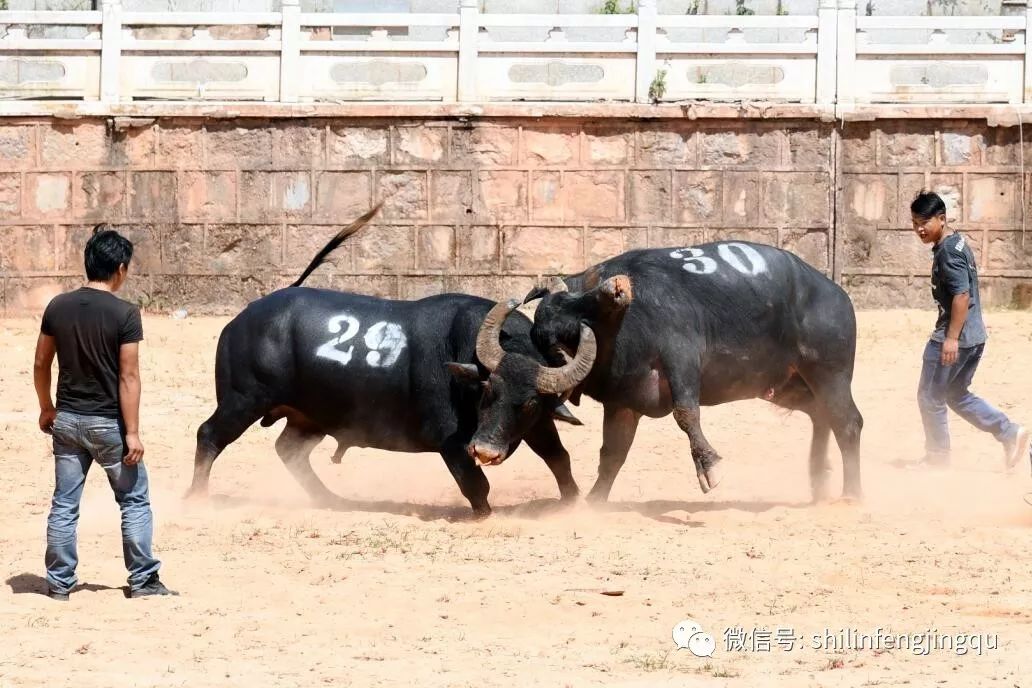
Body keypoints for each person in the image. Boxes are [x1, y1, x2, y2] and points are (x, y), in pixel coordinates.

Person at [33, 224, 176, 600]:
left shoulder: (57, 307)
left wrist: (47, 407)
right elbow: (128, 376)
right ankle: (143, 581)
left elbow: (40, 363)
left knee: (64, 504)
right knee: (134, 501)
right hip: (109, 425)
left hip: (66, 421)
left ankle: (60, 584)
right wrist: (132, 432)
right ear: (121, 268)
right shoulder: (125, 313)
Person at [910, 191, 1030, 472]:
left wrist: (951, 339)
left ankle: (937, 458)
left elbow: (961, 296)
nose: (918, 229)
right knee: (955, 393)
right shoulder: (958, 242)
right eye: (915, 222)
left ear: (941, 219)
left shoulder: (948, 251)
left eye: (923, 222)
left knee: (930, 396)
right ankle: (1009, 432)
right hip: (975, 337)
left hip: (955, 339)